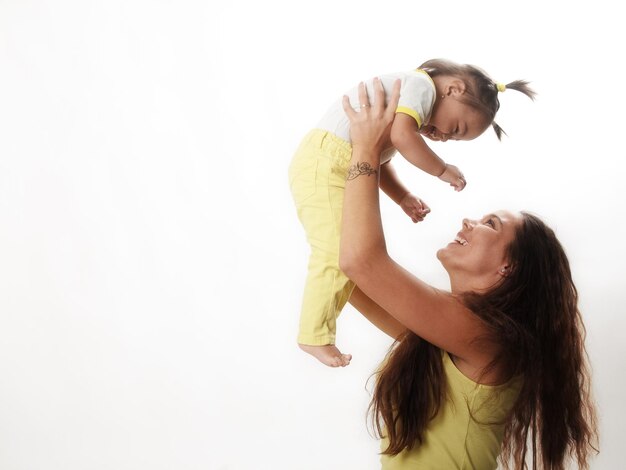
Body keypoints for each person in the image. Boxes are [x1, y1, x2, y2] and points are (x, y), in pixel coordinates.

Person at [339, 79, 597, 469]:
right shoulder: (446, 336)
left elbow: (360, 261)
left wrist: (367, 148)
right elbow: (350, 276)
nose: (468, 221)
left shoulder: (488, 341)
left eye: (489, 224)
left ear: (509, 267)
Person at [289, 59, 535, 367]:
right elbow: (404, 139)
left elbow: (381, 160)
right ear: (453, 89)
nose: (444, 137)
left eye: (454, 139)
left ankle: (315, 330)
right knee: (334, 252)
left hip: (334, 161)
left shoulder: (409, 101)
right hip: (327, 161)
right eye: (455, 128)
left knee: (339, 251)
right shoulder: (421, 86)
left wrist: (402, 196)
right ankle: (314, 334)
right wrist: (441, 169)